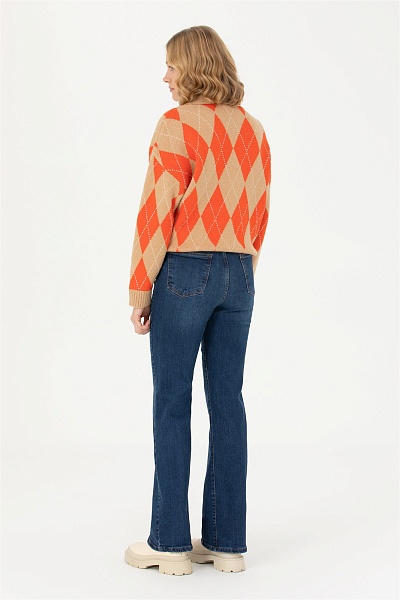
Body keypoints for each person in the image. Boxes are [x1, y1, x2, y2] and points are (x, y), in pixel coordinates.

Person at [125, 25, 271, 576]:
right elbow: (259, 212)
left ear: (191, 67)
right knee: (228, 402)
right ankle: (227, 543)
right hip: (240, 272)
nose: (165, 76)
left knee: (172, 401)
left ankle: (169, 544)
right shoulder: (254, 128)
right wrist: (242, 273)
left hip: (185, 268)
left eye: (171, 65)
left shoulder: (176, 124)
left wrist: (141, 287)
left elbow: (156, 210)